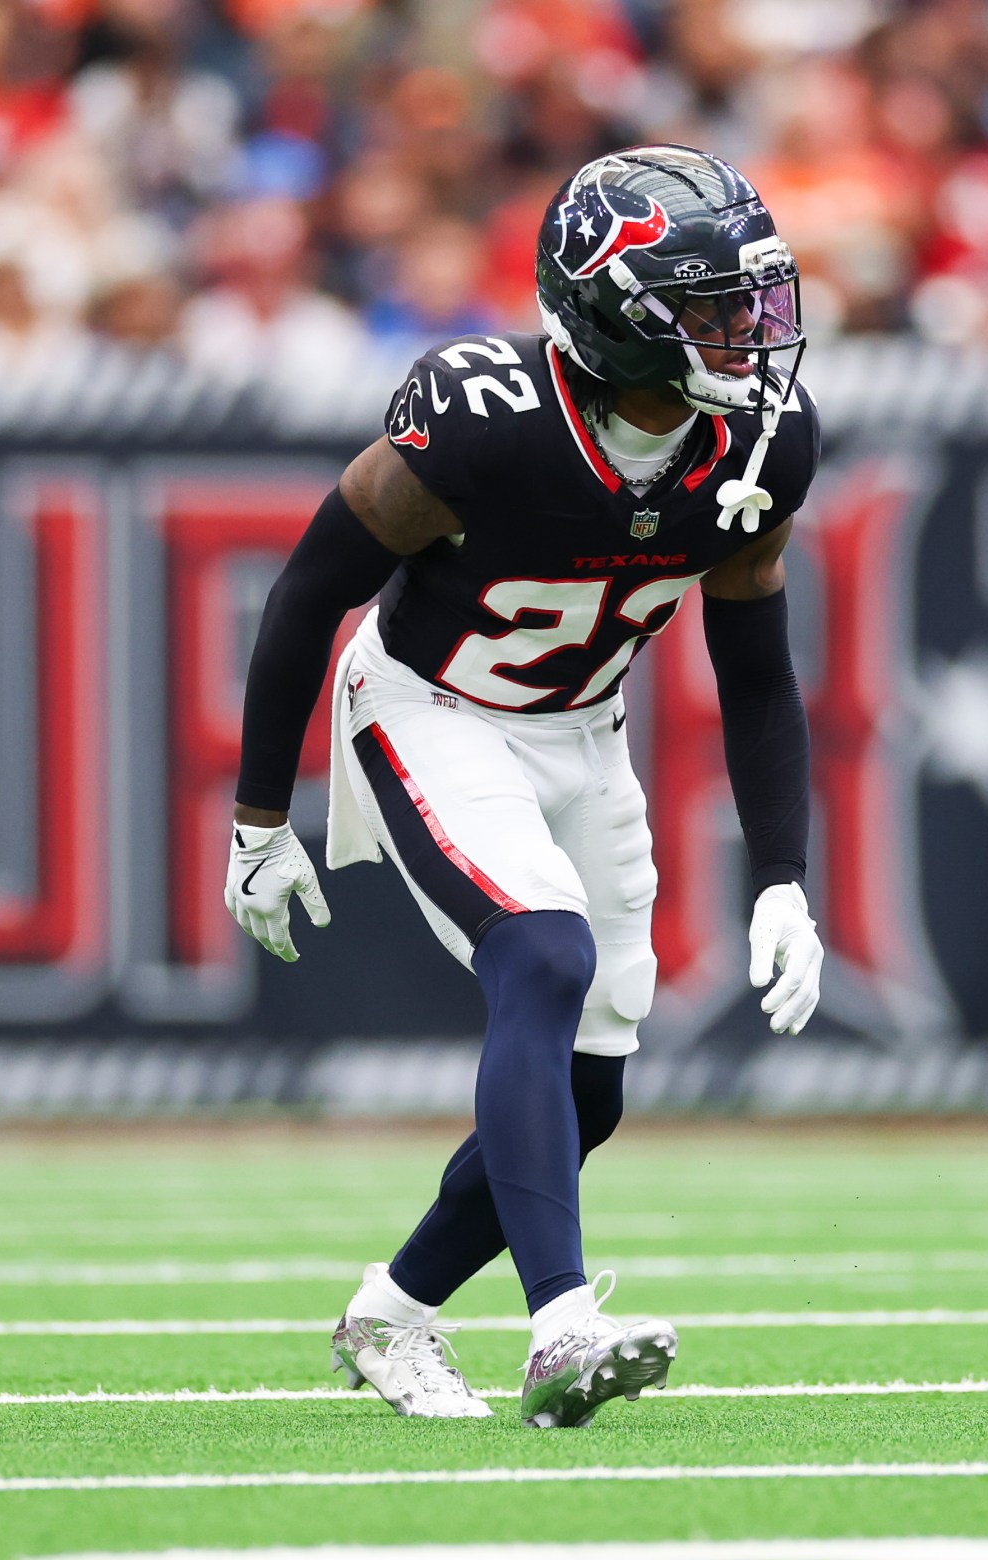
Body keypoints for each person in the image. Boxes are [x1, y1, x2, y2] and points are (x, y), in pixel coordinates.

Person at [224, 146, 823, 1426]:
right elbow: (308, 592)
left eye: (750, 297)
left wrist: (783, 877)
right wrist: (259, 818)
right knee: (541, 957)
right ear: (617, 310)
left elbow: (758, 676)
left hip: (580, 732)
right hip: (427, 709)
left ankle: (391, 1316)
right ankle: (561, 1327)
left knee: (590, 1088)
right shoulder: (481, 413)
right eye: (709, 303)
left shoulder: (764, 441)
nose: (748, 328)